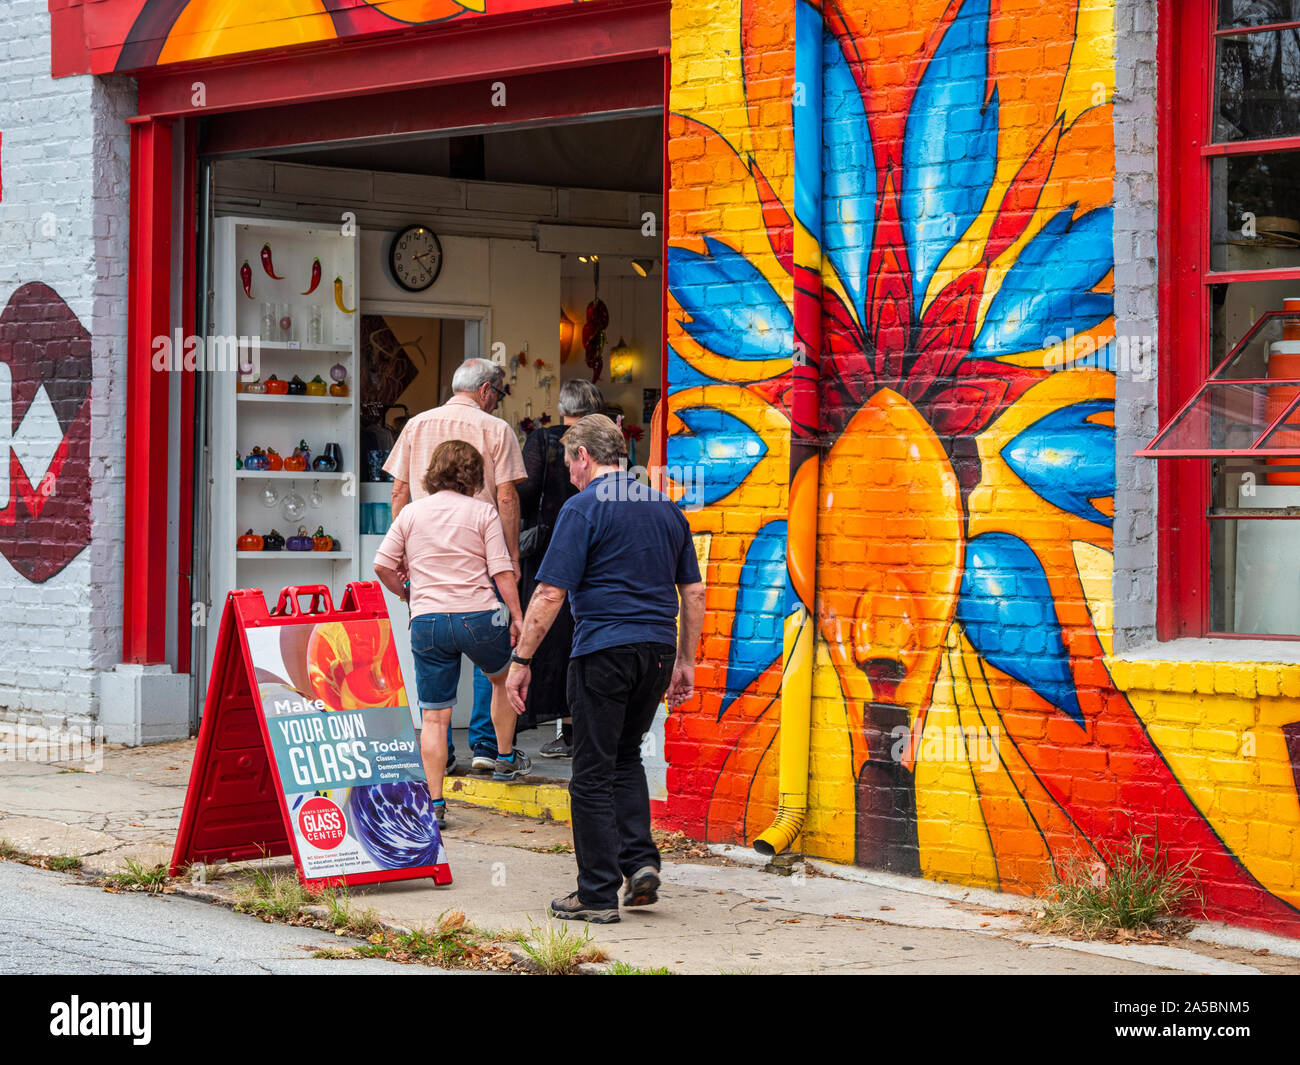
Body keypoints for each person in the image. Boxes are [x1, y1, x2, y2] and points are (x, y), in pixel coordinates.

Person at [506, 415, 706, 923]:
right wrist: (685, 660)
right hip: (658, 651)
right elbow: (694, 592)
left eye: (569, 461)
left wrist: (522, 659)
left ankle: (596, 894)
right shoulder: (665, 508)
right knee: (625, 758)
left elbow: (549, 592)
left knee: (591, 774)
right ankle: (639, 864)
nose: (569, 472)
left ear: (583, 457)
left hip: (603, 652)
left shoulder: (582, 508)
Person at [374, 441, 532, 829]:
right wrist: (517, 616)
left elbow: (382, 564)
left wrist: (406, 593)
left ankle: (436, 804)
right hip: (478, 618)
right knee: (503, 680)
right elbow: (502, 571)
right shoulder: (483, 512)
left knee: (434, 718)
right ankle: (505, 759)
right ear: (474, 475)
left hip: (428, 622)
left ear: (433, 472)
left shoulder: (411, 512)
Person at [384, 357, 526, 774]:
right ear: (485, 391)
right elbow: (506, 498)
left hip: (425, 555)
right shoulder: (496, 429)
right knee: (493, 651)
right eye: (498, 395)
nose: (497, 403)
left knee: (433, 660)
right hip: (481, 549)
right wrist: (512, 555)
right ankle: (487, 747)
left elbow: (399, 491)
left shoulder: (416, 425)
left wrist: (405, 547)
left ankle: (439, 761)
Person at [514, 379, 605, 756]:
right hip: (597, 542)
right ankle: (574, 730)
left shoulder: (543, 440)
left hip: (549, 545)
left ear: (564, 404)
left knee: (548, 635)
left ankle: (564, 730)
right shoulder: (607, 439)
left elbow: (525, 490)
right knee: (580, 634)